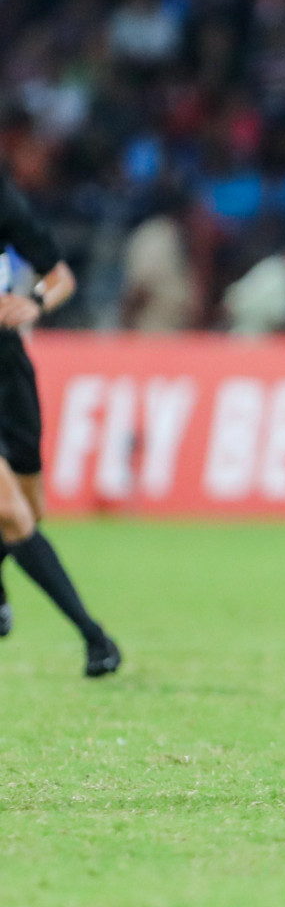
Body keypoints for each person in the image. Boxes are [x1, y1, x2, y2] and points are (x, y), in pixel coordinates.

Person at [0, 171, 120, 676]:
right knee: (10, 513)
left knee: (31, 509)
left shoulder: (5, 201)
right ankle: (95, 638)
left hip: (7, 371)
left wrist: (36, 302)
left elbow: (59, 276)